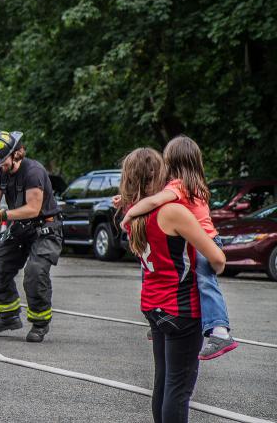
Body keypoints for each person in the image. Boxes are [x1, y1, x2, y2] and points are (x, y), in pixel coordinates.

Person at [119, 147, 225, 423]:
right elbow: (217, 259)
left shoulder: (131, 212)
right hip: (181, 308)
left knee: (163, 382)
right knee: (178, 389)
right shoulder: (173, 212)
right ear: (160, 173)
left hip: (153, 304)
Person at [119, 136, 237, 360]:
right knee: (200, 281)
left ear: (169, 162)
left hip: (205, 243)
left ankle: (219, 330)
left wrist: (130, 211)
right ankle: (162, 318)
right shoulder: (196, 185)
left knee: (204, 282)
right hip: (206, 239)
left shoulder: (176, 186)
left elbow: (153, 202)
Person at [0, 130, 63, 343]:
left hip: (45, 229)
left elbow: (33, 209)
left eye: (3, 162)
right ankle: (8, 317)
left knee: (34, 272)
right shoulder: (2, 171)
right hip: (20, 229)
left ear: (17, 153)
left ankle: (40, 323)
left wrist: (3, 215)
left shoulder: (33, 171)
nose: (1, 168)